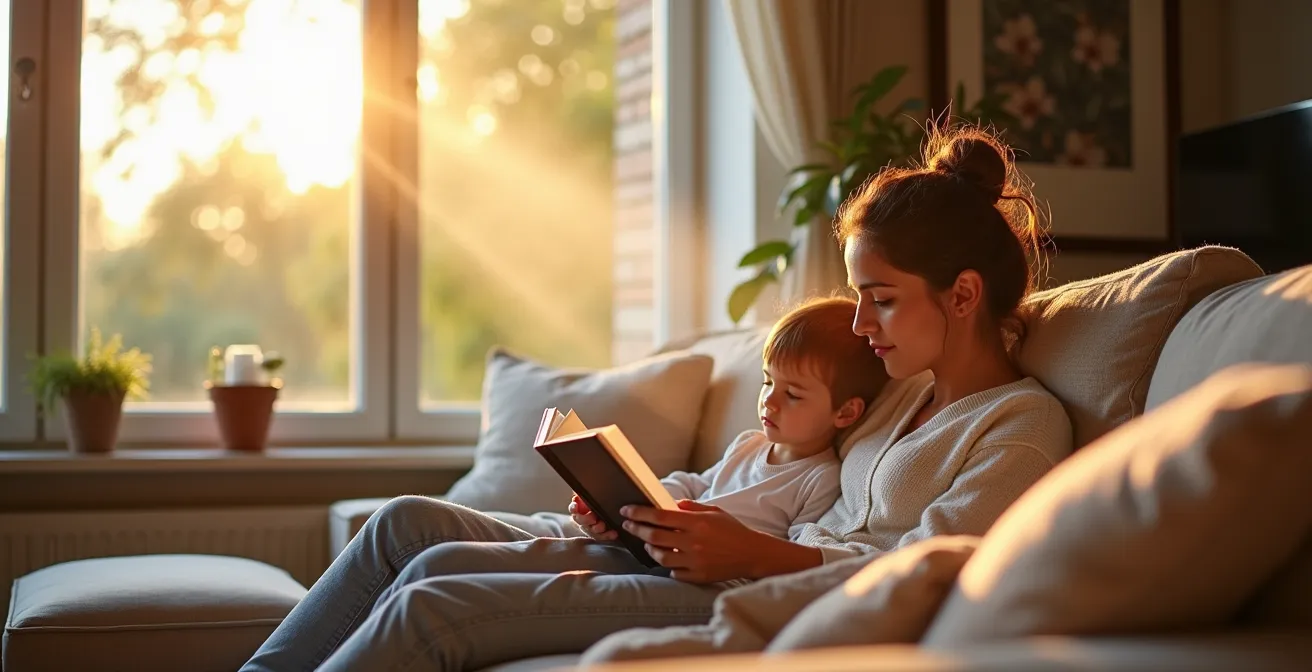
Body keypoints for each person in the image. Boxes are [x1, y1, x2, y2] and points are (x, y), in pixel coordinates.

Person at [241, 125, 1074, 672]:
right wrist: (647, 508)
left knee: (434, 604)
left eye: (881, 298)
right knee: (418, 542)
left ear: (963, 297)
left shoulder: (1022, 427)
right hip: (730, 557)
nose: (860, 324)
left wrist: (754, 556)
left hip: (765, 591)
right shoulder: (893, 392)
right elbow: (766, 472)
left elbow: (937, 572)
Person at [575, 296, 888, 549]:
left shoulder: (820, 478)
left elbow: (792, 551)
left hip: (710, 573)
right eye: (768, 382)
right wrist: (637, 497)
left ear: (845, 413)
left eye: (792, 394)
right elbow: (696, 484)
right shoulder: (748, 444)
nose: (769, 400)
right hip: (663, 546)